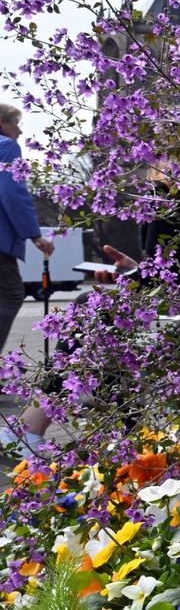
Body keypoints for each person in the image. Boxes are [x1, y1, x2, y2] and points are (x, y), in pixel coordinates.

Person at [0, 103, 54, 459]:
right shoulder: (6, 147)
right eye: (16, 124)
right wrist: (34, 235)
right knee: (10, 292)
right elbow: (13, 192)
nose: (20, 132)